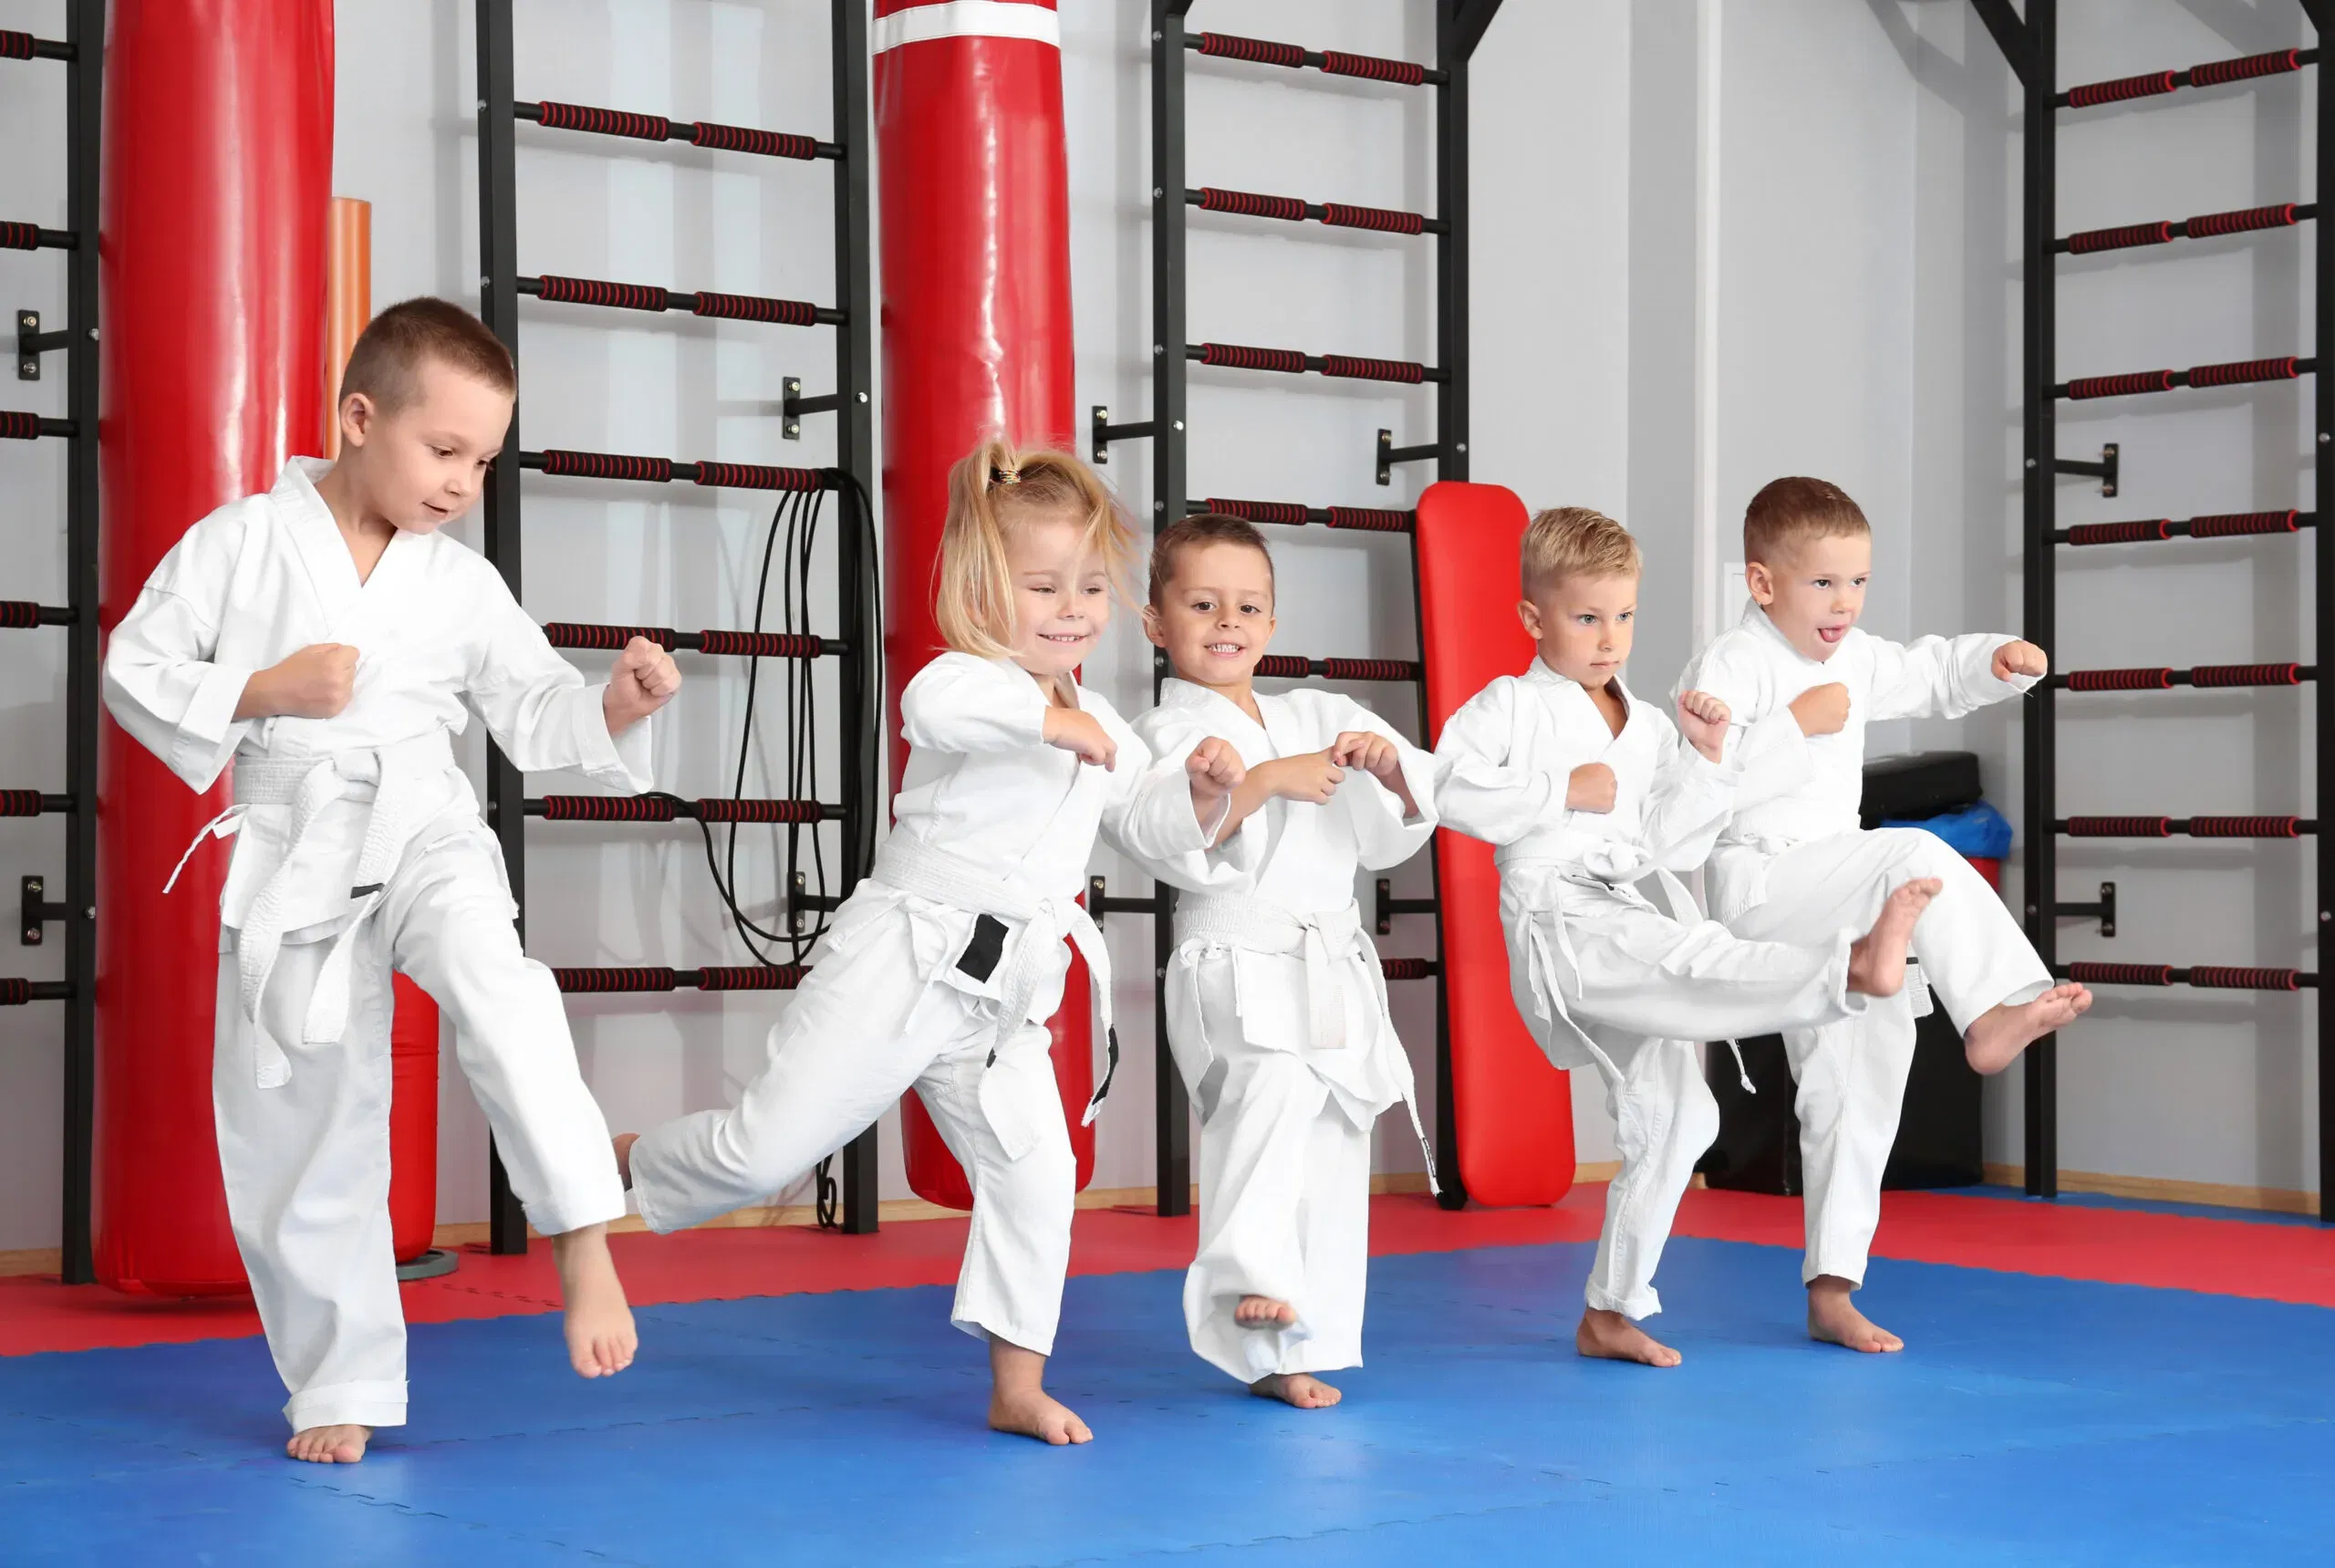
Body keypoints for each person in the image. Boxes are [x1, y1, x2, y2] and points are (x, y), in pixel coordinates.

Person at [104, 296, 677, 1465]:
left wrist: (616, 704)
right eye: (445, 450)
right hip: (290, 842)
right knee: (301, 1115)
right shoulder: (241, 541)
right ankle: (339, 1380)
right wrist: (264, 690)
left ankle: (582, 1233)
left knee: (500, 988)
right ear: (359, 418)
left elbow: (533, 703)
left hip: (422, 819)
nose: (464, 483)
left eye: (484, 460)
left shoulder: (455, 580)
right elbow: (135, 666)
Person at [617, 439, 1244, 1446]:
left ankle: (1016, 1382)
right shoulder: (968, 682)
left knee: (1038, 1178)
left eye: (1089, 586)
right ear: (983, 588)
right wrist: (1049, 728)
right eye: (1043, 586)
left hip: (1009, 993)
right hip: (905, 956)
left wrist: (1205, 793)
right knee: (762, 1152)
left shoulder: (1103, 719)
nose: (1072, 608)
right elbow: (933, 705)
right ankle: (622, 1160)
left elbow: (1156, 830)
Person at [1433, 505, 1936, 1368]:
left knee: (1680, 1115)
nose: (1608, 639)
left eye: (1623, 617)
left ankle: (1610, 1311)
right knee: (1694, 959)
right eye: (1586, 617)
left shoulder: (1652, 725)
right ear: (1532, 618)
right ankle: (1848, 967)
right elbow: (1445, 789)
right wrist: (1564, 789)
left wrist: (1706, 759)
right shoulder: (1510, 706)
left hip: (1626, 906)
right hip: (1561, 920)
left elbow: (1679, 842)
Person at [1676, 475, 2091, 1353]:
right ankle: (1991, 1013)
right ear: (1762, 584)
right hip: (1762, 886)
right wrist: (1792, 725)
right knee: (1915, 852)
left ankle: (1833, 1290)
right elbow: (1691, 796)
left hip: (1842, 897)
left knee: (1860, 1080)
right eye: (1824, 583)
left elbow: (1931, 670)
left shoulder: (1855, 657)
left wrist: (1995, 660)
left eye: (1858, 582)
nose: (1846, 603)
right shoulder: (1730, 664)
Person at [1126, 513, 1439, 1408]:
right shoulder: (1164, 732)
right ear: (1155, 622)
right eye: (1202, 603)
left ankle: (1295, 1347)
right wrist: (1255, 782)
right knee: (1265, 1090)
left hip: (1326, 958)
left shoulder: (1323, 713)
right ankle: (1246, 1277)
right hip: (1231, 951)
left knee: (1336, 1136)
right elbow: (1168, 841)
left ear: (1271, 621)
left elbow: (1387, 837)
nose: (1227, 621)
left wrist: (1385, 768)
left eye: (1248, 605)